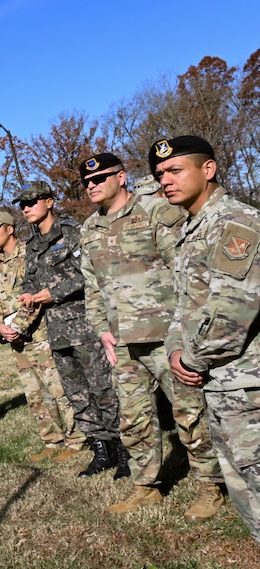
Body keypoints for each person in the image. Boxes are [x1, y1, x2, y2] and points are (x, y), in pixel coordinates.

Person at [78, 152, 224, 518]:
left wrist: (186, 331)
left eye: (100, 178)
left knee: (190, 415)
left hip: (167, 338)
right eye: (87, 182)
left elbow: (188, 271)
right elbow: (91, 287)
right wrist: (102, 331)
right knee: (134, 418)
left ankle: (211, 486)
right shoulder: (89, 229)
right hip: (123, 343)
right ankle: (146, 486)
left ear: (122, 177)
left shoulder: (156, 213)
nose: (92, 185)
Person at [152, 135, 260, 543]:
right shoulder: (190, 231)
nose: (165, 180)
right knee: (244, 489)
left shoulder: (236, 223)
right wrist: (176, 347)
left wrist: (191, 358)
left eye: (175, 170)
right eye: (160, 174)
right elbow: (184, 307)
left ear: (208, 170)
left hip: (247, 385)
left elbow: (233, 311)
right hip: (220, 384)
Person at [16, 180, 122, 478]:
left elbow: (88, 274)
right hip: (58, 330)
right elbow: (29, 280)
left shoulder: (73, 233)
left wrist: (53, 293)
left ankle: (125, 447)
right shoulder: (32, 245)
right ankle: (101, 449)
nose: (25, 208)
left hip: (86, 325)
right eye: (22, 204)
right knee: (77, 393)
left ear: (49, 201)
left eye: (31, 201)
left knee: (104, 389)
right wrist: (29, 294)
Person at [0, 210, 84, 461]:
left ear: (10, 229)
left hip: (39, 334)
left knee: (58, 388)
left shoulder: (30, 254)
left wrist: (18, 327)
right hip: (16, 341)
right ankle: (52, 439)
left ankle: (77, 438)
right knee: (34, 392)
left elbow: (35, 295)